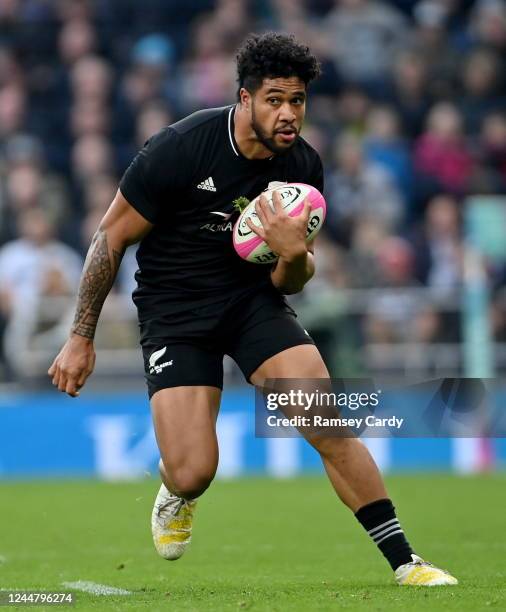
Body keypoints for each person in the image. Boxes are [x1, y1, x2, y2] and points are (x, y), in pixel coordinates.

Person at [48, 33, 457, 587]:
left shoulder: (303, 168)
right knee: (195, 470)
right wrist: (81, 335)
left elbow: (292, 280)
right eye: (274, 100)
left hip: (251, 302)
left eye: (298, 100)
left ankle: (407, 562)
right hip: (176, 311)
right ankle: (177, 490)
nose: (289, 113)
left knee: (326, 421)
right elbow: (109, 238)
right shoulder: (181, 147)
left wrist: (293, 254)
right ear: (245, 99)